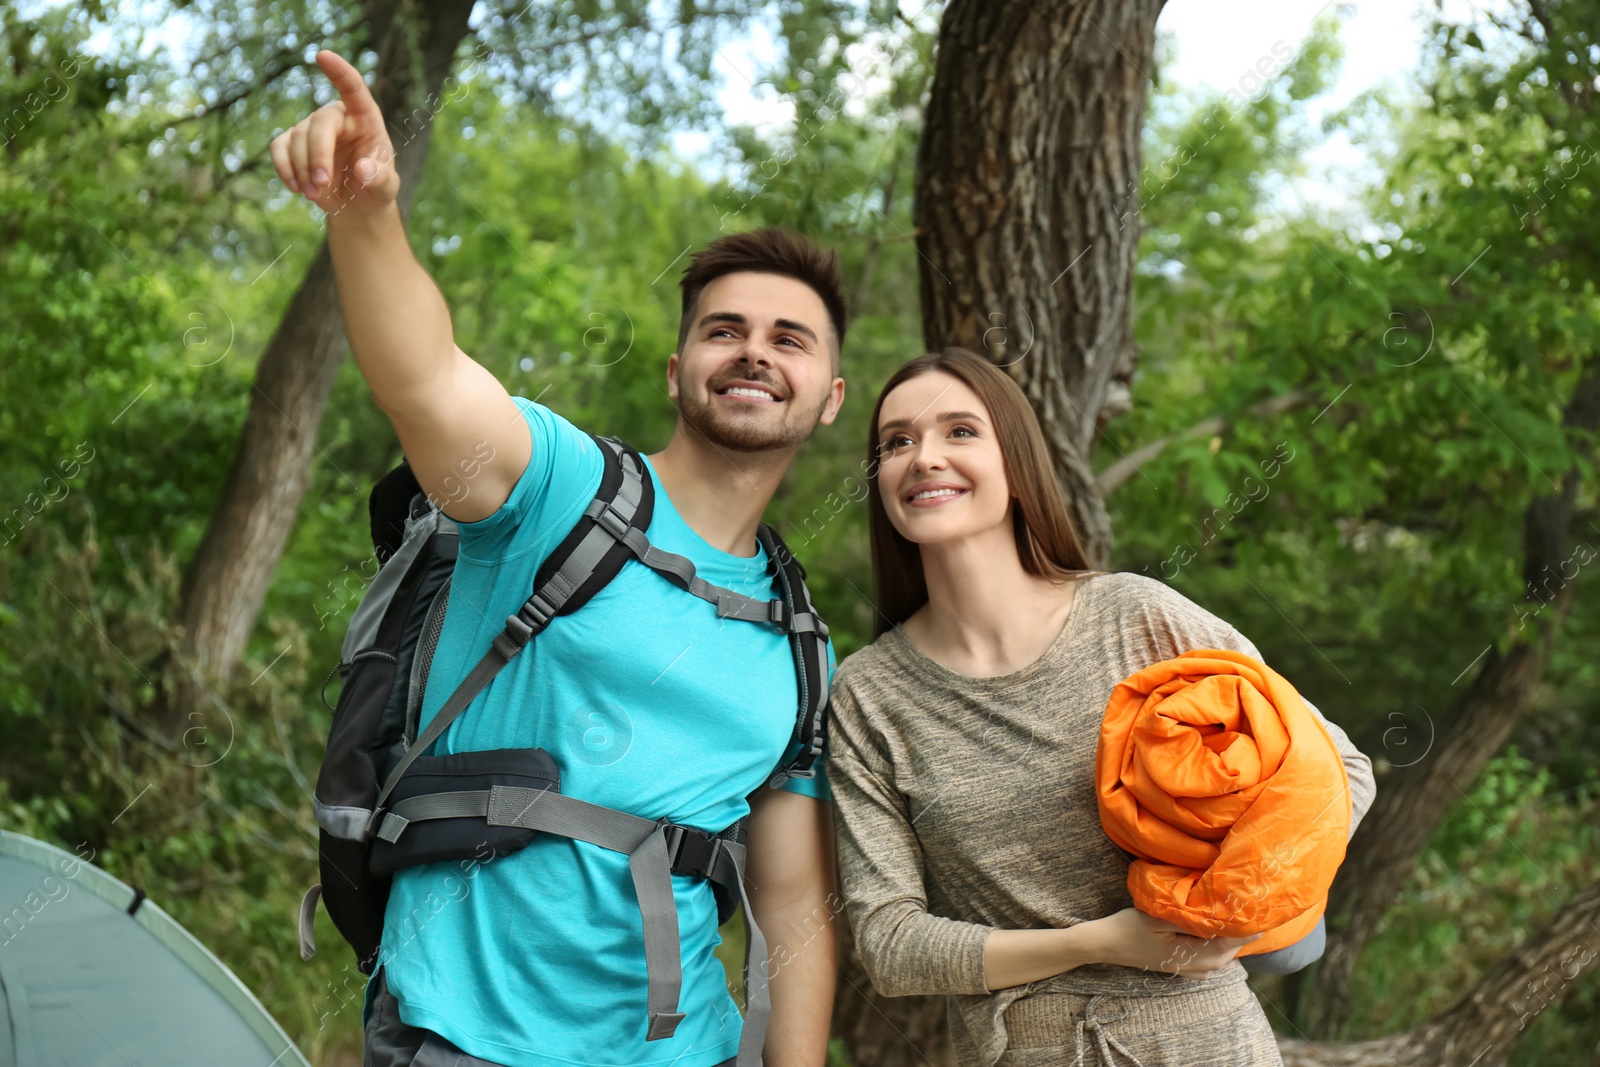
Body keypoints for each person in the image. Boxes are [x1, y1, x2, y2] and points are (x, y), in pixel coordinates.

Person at [271, 50, 843, 1067]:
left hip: (684, 1049)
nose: (756, 350)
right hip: (466, 1028)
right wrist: (366, 215)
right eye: (726, 329)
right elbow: (429, 380)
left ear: (829, 395)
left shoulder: (800, 641)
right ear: (679, 371)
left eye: (790, 338)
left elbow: (792, 899)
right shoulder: (568, 492)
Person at [827, 347, 1377, 1067]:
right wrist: (1105, 941)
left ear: (1018, 465)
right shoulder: (870, 694)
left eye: (960, 431)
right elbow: (890, 945)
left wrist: (1231, 913)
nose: (923, 456)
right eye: (897, 441)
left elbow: (1339, 767)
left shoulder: (1137, 618)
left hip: (1209, 1040)